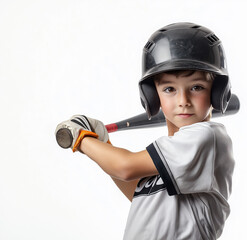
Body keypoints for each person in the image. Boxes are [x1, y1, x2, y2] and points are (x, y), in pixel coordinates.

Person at [55, 22, 235, 240]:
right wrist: (103, 143)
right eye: (169, 89)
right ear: (152, 95)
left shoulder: (207, 138)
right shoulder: (175, 156)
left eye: (196, 87)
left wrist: (81, 138)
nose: (183, 101)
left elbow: (125, 166)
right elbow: (139, 194)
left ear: (217, 92)